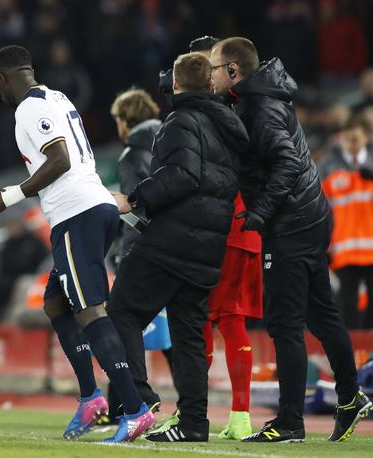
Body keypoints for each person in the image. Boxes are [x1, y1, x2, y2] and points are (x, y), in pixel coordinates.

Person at [0, 45, 155, 443]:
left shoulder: (29, 107)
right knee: (56, 301)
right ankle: (91, 397)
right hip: (93, 207)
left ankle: (135, 408)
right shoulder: (58, 97)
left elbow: (59, 160)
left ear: (3, 79)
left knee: (89, 310)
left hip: (77, 213)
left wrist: (7, 197)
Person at [210, 36, 371, 443]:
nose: (209, 74)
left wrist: (260, 213)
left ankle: (290, 422)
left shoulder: (259, 107)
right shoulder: (264, 96)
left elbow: (286, 163)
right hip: (310, 216)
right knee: (322, 314)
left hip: (291, 225)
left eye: (213, 67)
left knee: (284, 323)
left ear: (232, 70)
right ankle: (351, 396)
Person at [108, 52, 249, 442]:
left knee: (122, 310)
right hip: (209, 246)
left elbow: (182, 175)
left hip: (172, 239)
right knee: (189, 333)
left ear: (175, 85)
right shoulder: (230, 125)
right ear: (209, 84)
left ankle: (140, 402)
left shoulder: (182, 119)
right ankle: (193, 424)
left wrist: (134, 199)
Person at [191, 35, 264, 441]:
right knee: (215, 315)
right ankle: (231, 415)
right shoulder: (243, 104)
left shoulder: (226, 107)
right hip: (237, 221)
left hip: (228, 221)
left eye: (209, 66)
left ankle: (216, 414)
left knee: (218, 315)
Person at [108, 87, 172, 418]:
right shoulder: (169, 137)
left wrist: (122, 251)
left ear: (126, 120)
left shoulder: (132, 153)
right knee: (177, 328)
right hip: (180, 243)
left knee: (119, 318)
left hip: (144, 249)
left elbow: (135, 207)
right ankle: (191, 406)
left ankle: (137, 397)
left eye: (118, 120)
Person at [319, 115, 373, 329]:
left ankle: (369, 354)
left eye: (356, 139)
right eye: (347, 139)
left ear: (366, 138)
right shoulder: (328, 166)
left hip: (371, 249)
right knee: (347, 306)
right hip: (343, 250)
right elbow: (320, 207)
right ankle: (351, 354)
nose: (351, 144)